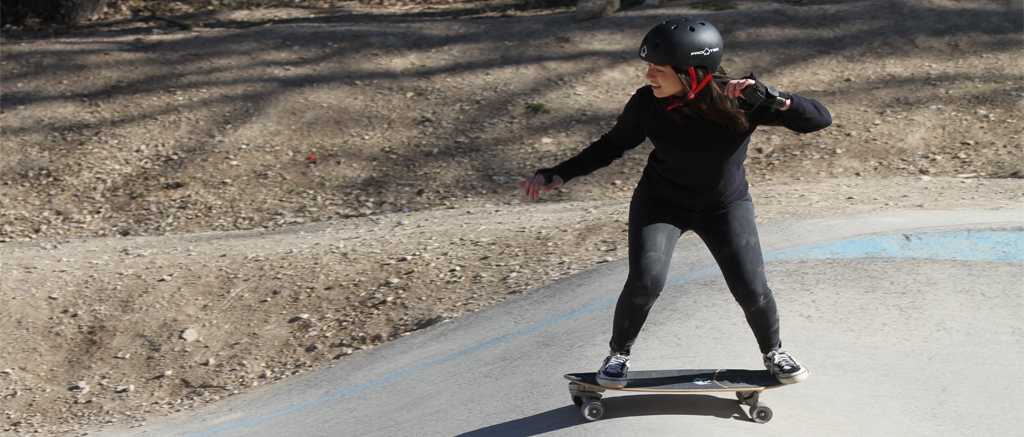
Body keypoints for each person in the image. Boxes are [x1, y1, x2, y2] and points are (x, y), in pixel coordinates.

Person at [519, 17, 831, 388]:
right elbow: (612, 145)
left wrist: (778, 99)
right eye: (648, 68)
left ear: (691, 73)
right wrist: (561, 173)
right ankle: (618, 354)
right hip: (661, 202)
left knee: (751, 287)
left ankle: (774, 352)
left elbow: (819, 120)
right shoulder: (646, 104)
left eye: (658, 69)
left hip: (724, 206)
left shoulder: (741, 100)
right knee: (645, 281)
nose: (649, 76)